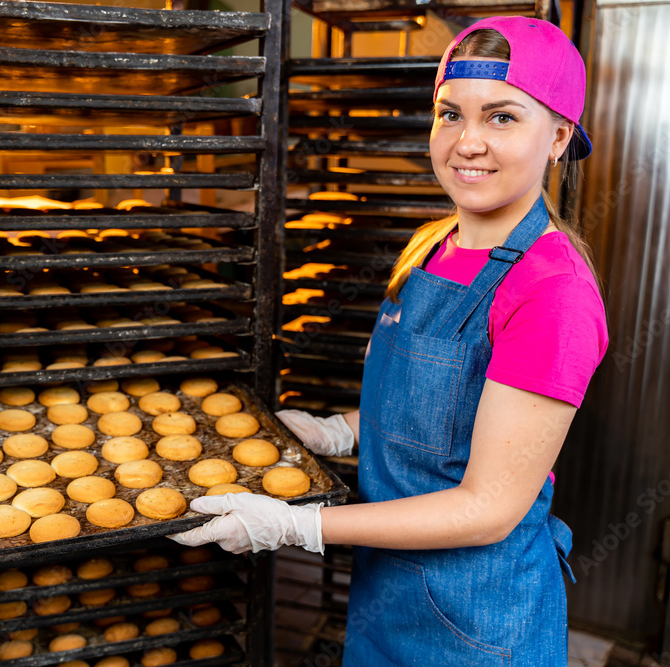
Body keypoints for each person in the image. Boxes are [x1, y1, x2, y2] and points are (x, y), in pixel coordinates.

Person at [170, 15, 609, 666]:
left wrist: (295, 525)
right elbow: (434, 408)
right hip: (385, 588)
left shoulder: (553, 291)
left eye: (503, 117)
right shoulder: (432, 247)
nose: (467, 142)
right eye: (450, 113)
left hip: (478, 619)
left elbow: (488, 506)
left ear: (559, 136)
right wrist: (338, 430)